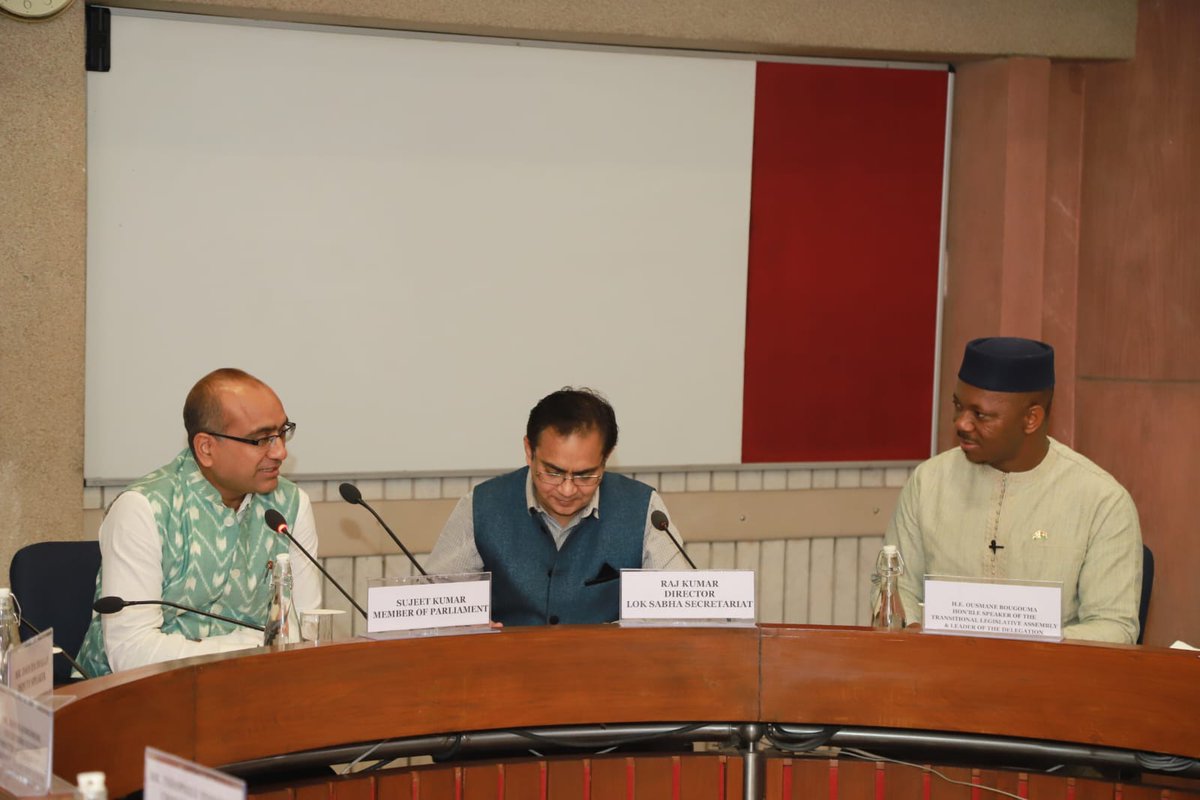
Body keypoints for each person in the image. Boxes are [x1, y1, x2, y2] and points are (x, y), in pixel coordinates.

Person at [884, 337, 1142, 644]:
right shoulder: (929, 482)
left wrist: (1023, 645)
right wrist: (915, 630)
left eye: (980, 415)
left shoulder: (1101, 502)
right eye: (958, 405)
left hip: (1049, 682)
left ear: (1031, 419)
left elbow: (1114, 628)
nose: (961, 423)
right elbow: (895, 588)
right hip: (941, 677)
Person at [77, 369, 321, 676]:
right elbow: (131, 651)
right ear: (206, 448)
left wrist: (260, 653)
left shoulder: (291, 506)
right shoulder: (144, 508)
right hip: (133, 701)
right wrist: (250, 648)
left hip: (254, 692)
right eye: (261, 439)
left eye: (282, 432)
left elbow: (306, 631)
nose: (280, 451)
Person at [427, 387, 686, 625]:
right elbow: (434, 605)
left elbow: (676, 609)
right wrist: (460, 624)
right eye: (553, 472)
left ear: (606, 458)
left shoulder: (644, 509)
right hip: (507, 669)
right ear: (529, 451)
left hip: (607, 669)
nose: (567, 489)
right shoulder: (481, 505)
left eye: (585, 475)